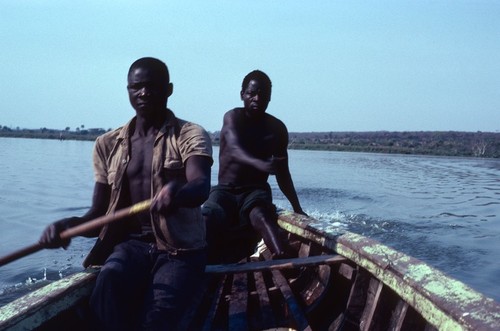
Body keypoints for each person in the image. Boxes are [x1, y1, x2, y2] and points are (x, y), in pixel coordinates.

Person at [39, 57, 213, 331]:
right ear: (128, 90)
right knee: (108, 283)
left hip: (179, 250)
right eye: (136, 87)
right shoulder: (107, 144)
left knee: (157, 320)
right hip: (132, 246)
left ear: (168, 90)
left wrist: (176, 191)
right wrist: (67, 227)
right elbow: (98, 215)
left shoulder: (189, 134)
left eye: (152, 86)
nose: (143, 93)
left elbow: (201, 185)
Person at [203, 70, 306, 264]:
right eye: (252, 93)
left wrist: (297, 207)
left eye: (263, 94)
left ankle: (281, 256)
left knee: (260, 214)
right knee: (209, 215)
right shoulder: (232, 117)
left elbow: (283, 173)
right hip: (226, 190)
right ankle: (199, 260)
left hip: (255, 191)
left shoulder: (277, 128)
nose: (257, 98)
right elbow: (234, 149)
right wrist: (262, 163)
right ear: (242, 94)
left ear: (269, 98)